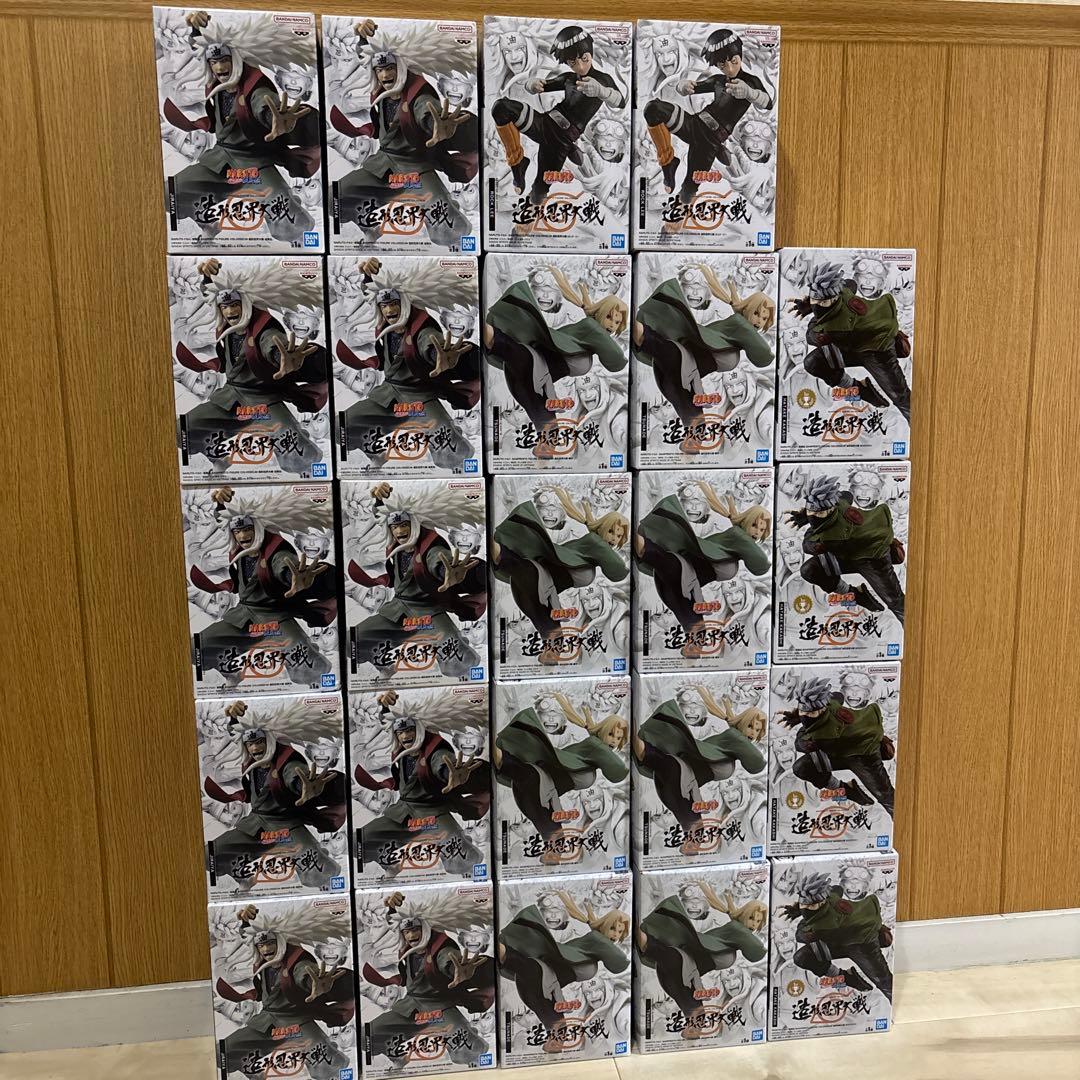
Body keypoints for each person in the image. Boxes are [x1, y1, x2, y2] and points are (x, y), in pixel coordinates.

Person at [485, 266, 628, 457]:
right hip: (540, 361)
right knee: (513, 360)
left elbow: (613, 361)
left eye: (617, 322)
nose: (612, 325)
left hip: (543, 368)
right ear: (600, 312)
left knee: (531, 396)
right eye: (609, 317)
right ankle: (548, 442)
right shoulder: (594, 328)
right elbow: (616, 360)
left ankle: (548, 444)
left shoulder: (590, 328)